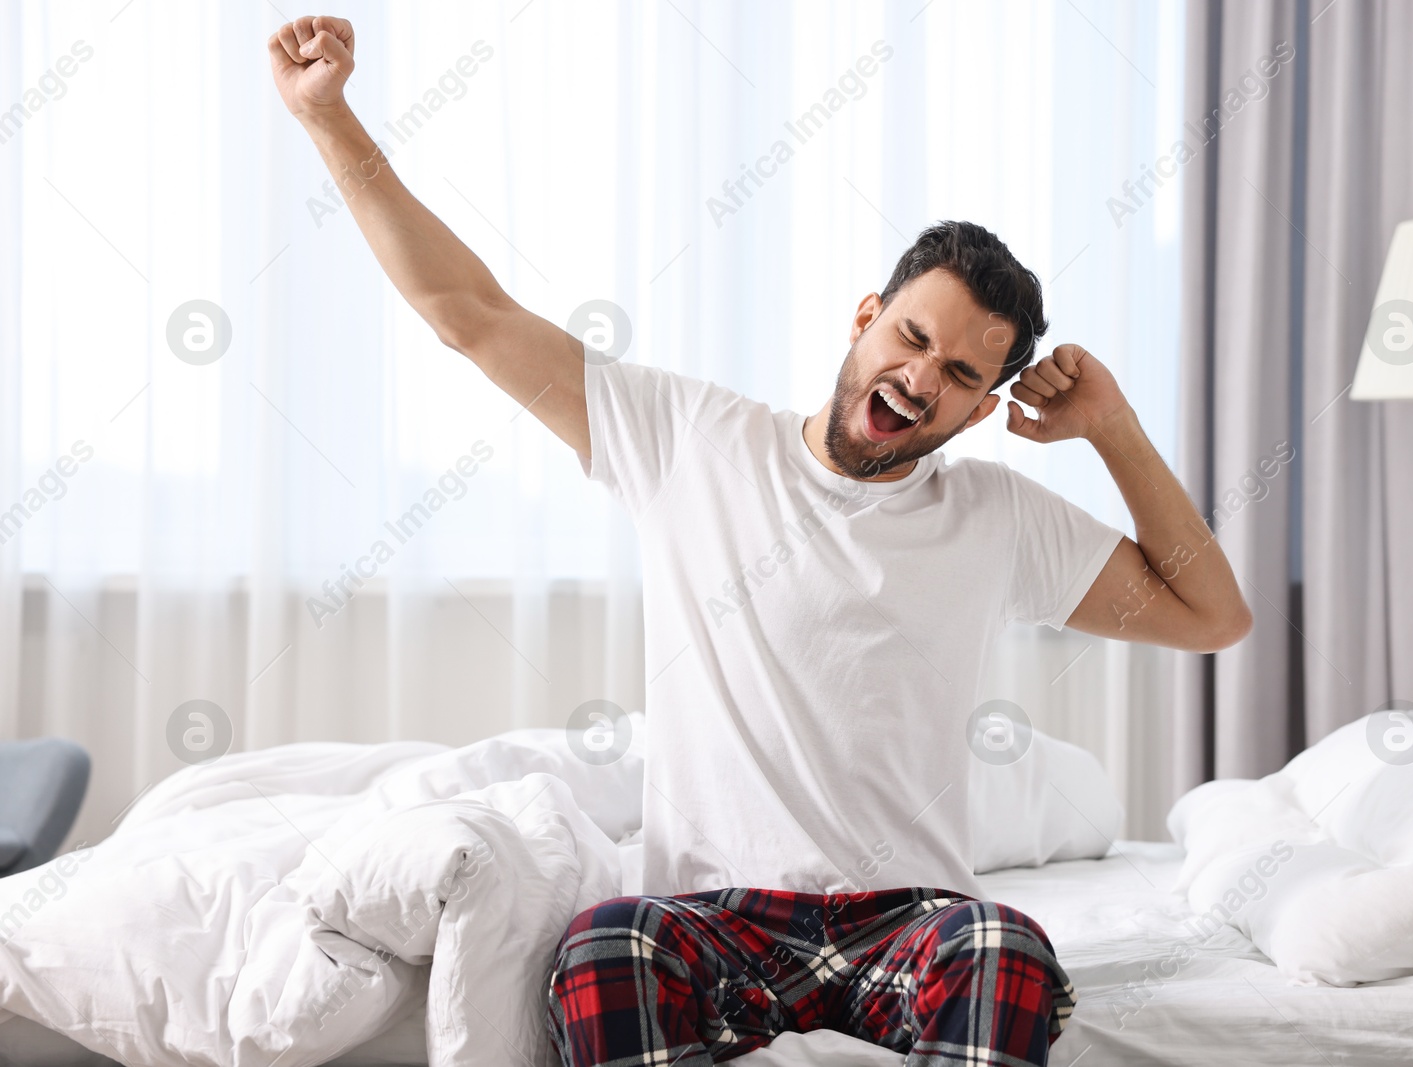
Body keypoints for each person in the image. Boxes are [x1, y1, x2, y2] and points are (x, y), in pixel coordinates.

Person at [269, 16, 1252, 1067]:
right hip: (713, 920)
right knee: (606, 945)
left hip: (905, 920)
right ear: (864, 318)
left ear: (976, 413)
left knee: (1002, 945)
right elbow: (464, 311)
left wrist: (1113, 428)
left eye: (963, 375)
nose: (922, 378)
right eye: (913, 337)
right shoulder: (689, 440)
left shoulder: (996, 518)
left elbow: (1211, 615)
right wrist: (328, 118)